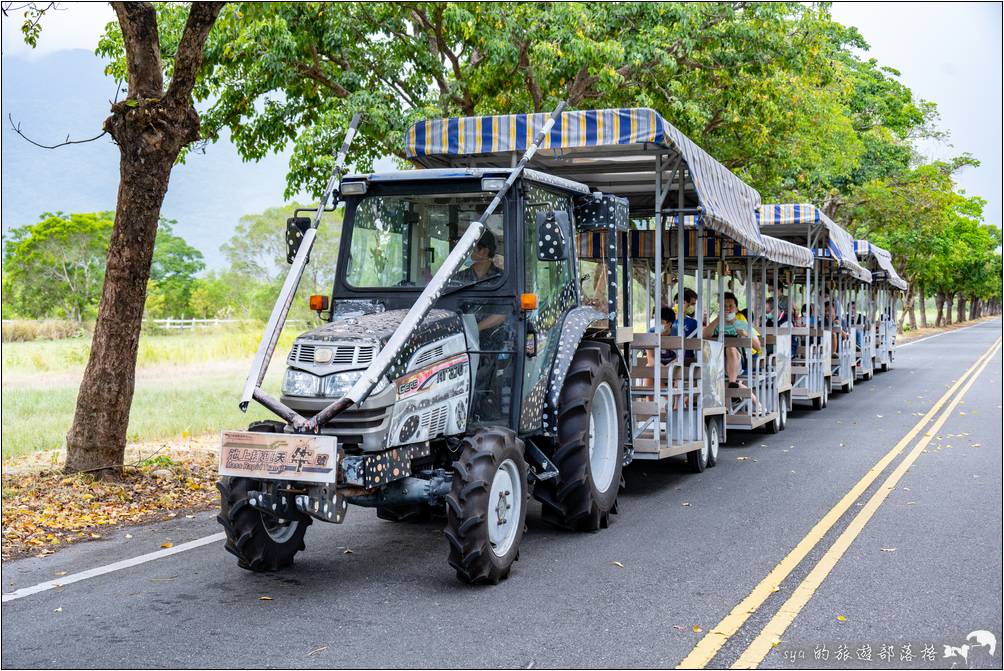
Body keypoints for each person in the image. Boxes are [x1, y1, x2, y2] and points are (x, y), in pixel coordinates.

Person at [703, 292, 761, 389]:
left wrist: (745, 334)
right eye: (724, 306)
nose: (728, 309)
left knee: (730, 348)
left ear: (736, 309)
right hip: (717, 362)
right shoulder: (716, 324)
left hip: (737, 361)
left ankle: (732, 382)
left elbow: (758, 346)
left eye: (731, 306)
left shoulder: (743, 325)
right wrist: (718, 319)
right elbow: (705, 335)